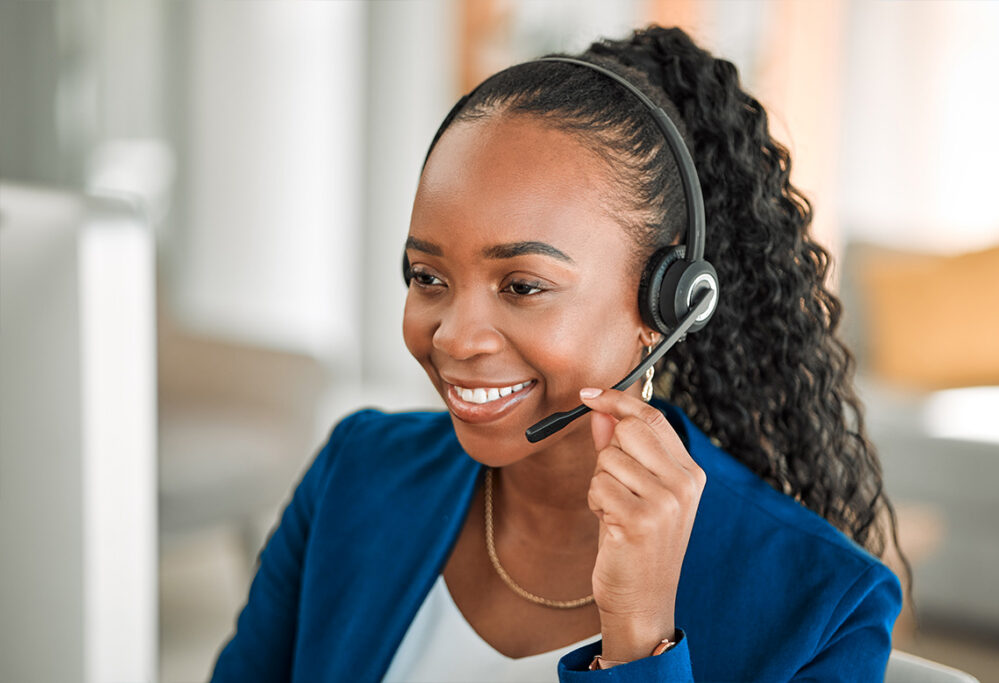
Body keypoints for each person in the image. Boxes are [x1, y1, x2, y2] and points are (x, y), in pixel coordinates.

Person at [211, 25, 907, 682]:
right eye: (428, 276)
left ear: (667, 305)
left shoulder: (826, 604)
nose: (454, 337)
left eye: (522, 286)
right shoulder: (356, 472)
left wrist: (639, 634)